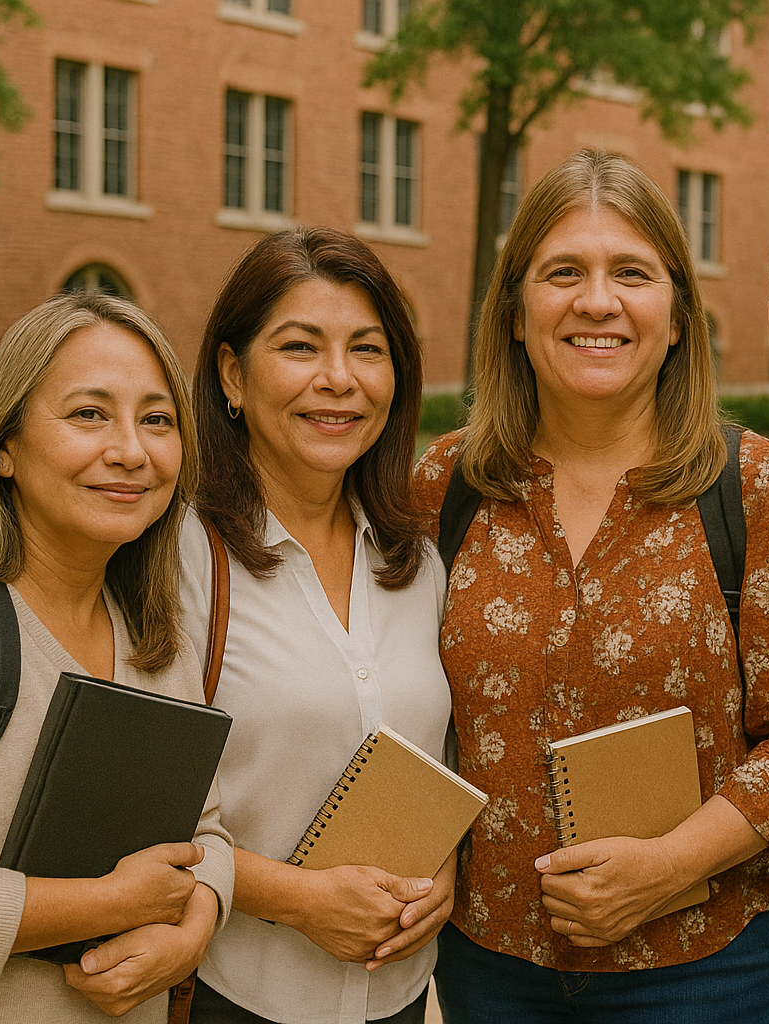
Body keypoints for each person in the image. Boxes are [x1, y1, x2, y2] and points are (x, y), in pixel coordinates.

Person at [411, 148, 769, 1023]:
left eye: (632, 273)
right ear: (512, 312)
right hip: (490, 960)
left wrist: (667, 870)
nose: (597, 301)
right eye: (564, 271)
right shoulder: (442, 486)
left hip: (701, 964)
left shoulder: (752, 486)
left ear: (679, 313)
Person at [0, 292, 233, 1022]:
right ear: (6, 445)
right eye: (89, 414)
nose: (130, 450)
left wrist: (198, 922)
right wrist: (105, 904)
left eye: (156, 420)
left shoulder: (159, 638)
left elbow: (206, 831)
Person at [179, 228, 451, 1024]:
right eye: (301, 347)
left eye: (367, 350)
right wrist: (300, 899)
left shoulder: (417, 560)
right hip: (236, 996)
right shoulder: (181, 561)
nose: (339, 380)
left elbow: (443, 761)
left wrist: (447, 875)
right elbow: (138, 816)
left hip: (400, 998)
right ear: (232, 375)